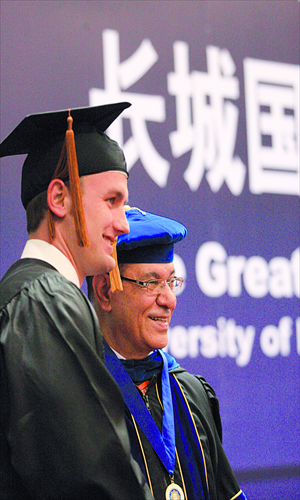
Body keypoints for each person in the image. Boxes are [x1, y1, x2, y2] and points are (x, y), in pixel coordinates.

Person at [0, 105, 153, 500]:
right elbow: (92, 478)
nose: (124, 223)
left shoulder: (25, 293)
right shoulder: (47, 303)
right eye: (112, 201)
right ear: (59, 198)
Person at [89, 206, 247, 500]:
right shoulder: (78, 397)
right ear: (105, 292)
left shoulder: (191, 393)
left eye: (171, 282)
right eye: (151, 283)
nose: (169, 300)